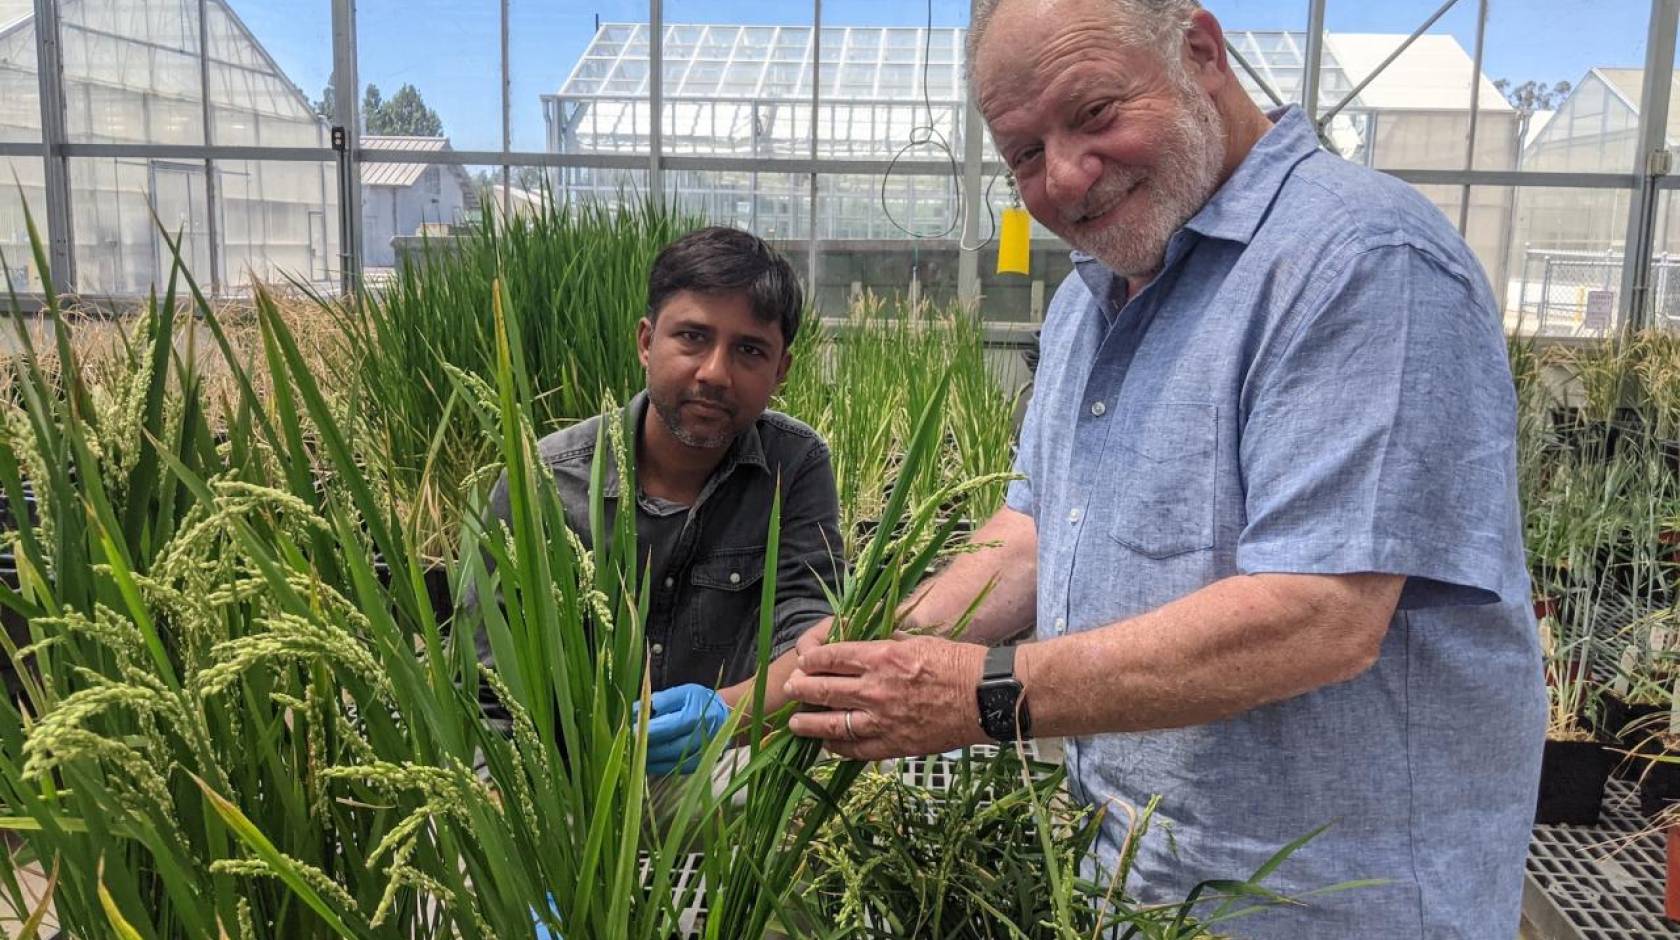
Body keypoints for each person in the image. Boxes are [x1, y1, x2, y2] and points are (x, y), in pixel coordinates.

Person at [781, 1, 1545, 936]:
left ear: (1200, 52)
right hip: (1135, 886)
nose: (1063, 177)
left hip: (1328, 906)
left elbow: (1321, 616)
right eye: (1023, 153)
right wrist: (863, 657)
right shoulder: (1089, 300)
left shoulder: (1360, 259)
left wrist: (975, 693)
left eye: (1095, 112)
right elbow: (1032, 534)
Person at [477, 225, 843, 775]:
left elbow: (815, 638)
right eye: (693, 337)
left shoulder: (795, 465)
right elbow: (488, 684)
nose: (715, 373)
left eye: (749, 350)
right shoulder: (543, 481)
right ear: (647, 341)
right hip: (568, 775)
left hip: (727, 759)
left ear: (780, 371)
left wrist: (727, 714)